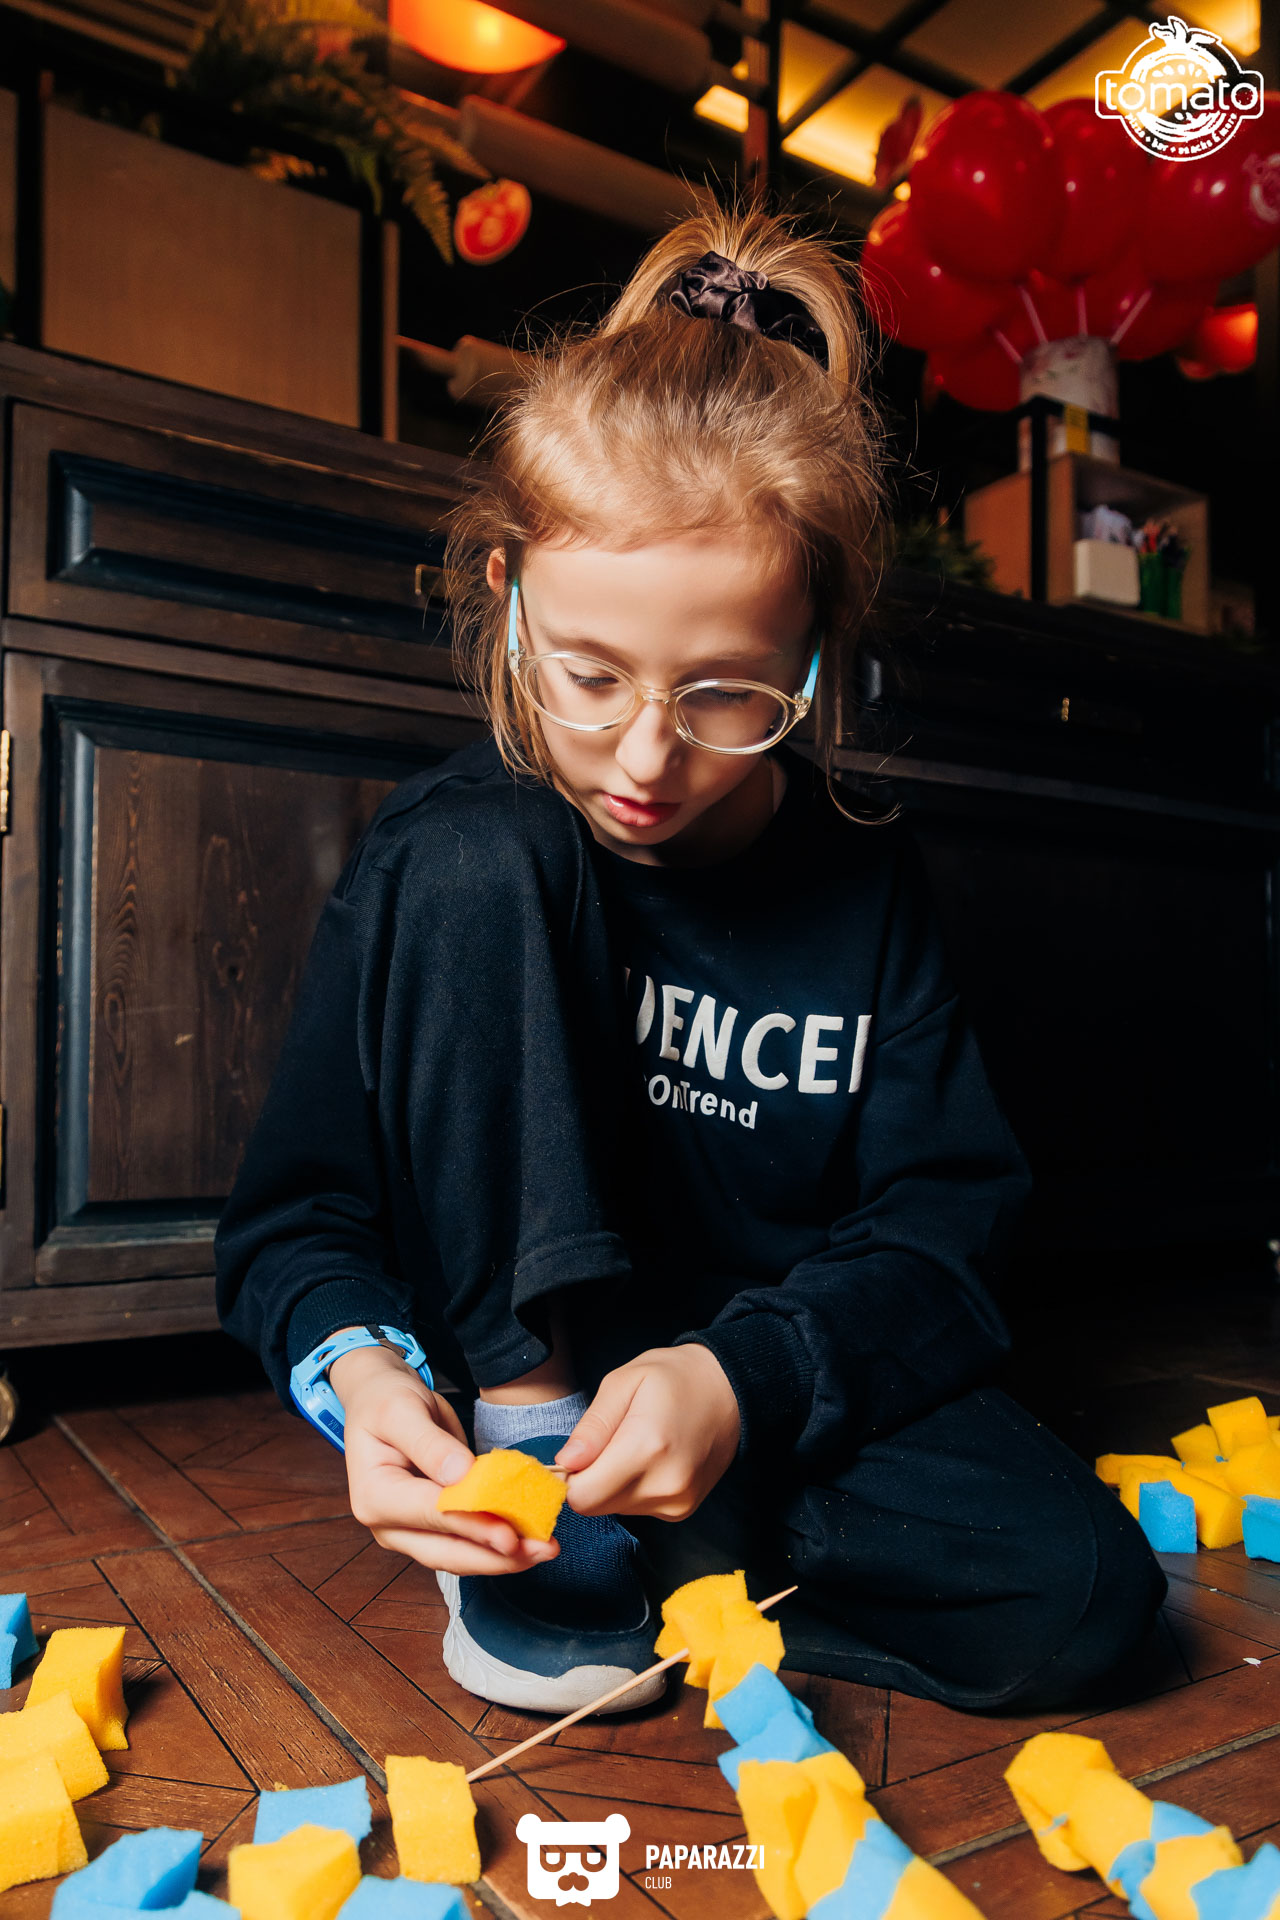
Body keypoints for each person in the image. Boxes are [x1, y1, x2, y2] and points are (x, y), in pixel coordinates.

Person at [216, 206, 1165, 1721]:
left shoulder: (867, 882)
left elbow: (945, 1232)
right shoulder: (448, 858)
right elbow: (295, 1221)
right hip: (508, 1364)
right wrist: (368, 1378)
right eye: (589, 676)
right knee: (484, 841)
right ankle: (537, 1463)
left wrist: (741, 1385)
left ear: (812, 654)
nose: (646, 760)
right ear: (510, 595)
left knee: (1081, 1600)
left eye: (727, 695)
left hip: (742, 1368)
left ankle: (673, 1527)